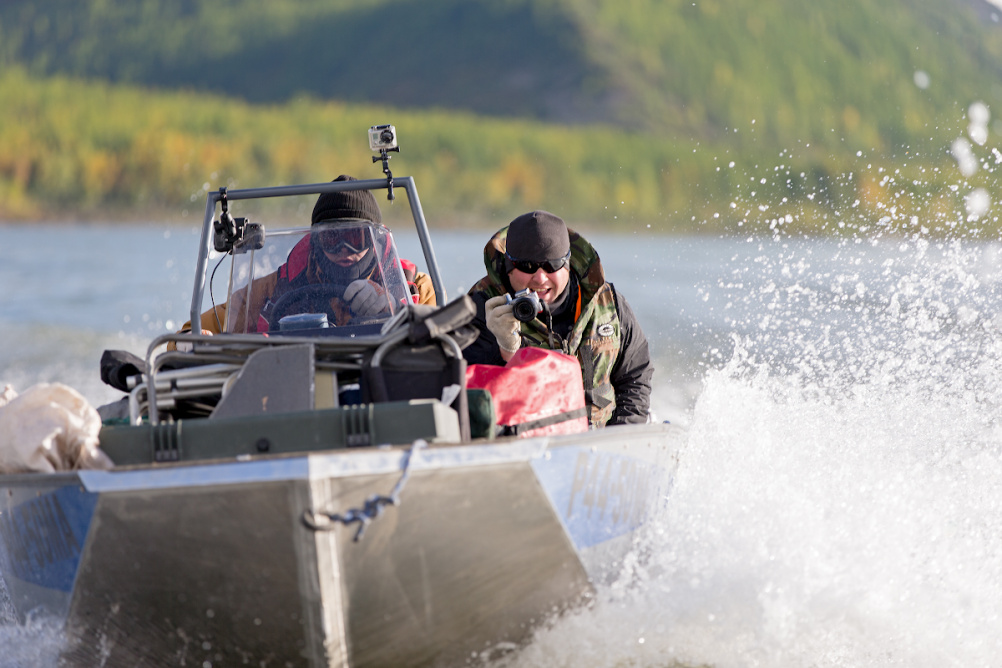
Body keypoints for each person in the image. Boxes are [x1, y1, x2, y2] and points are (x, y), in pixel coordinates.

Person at [178, 175, 436, 337]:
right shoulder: (271, 289)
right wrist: (192, 341)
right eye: (332, 238)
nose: (344, 249)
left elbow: (439, 334)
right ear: (316, 241)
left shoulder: (413, 285)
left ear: (376, 239)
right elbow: (192, 332)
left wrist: (395, 308)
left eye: (355, 238)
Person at [463, 210, 653, 427]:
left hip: (599, 439)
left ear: (567, 264)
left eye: (551, 265)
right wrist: (505, 352)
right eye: (527, 266)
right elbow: (469, 399)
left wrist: (619, 435)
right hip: (523, 439)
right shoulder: (482, 309)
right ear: (509, 267)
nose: (540, 278)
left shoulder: (607, 303)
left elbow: (636, 377)